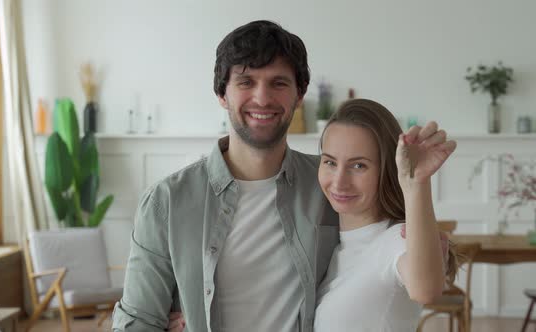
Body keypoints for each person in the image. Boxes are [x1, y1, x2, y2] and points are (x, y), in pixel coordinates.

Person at [112, 20, 340, 332]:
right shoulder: (166, 202)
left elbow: (384, 251)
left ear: (299, 96)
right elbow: (138, 321)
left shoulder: (331, 184)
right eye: (246, 82)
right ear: (222, 94)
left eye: (279, 83)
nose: (262, 98)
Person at [313, 99, 457, 331]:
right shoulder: (336, 249)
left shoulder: (396, 239)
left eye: (358, 166)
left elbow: (426, 289)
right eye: (330, 162)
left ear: (388, 169)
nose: (339, 181)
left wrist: (416, 182)